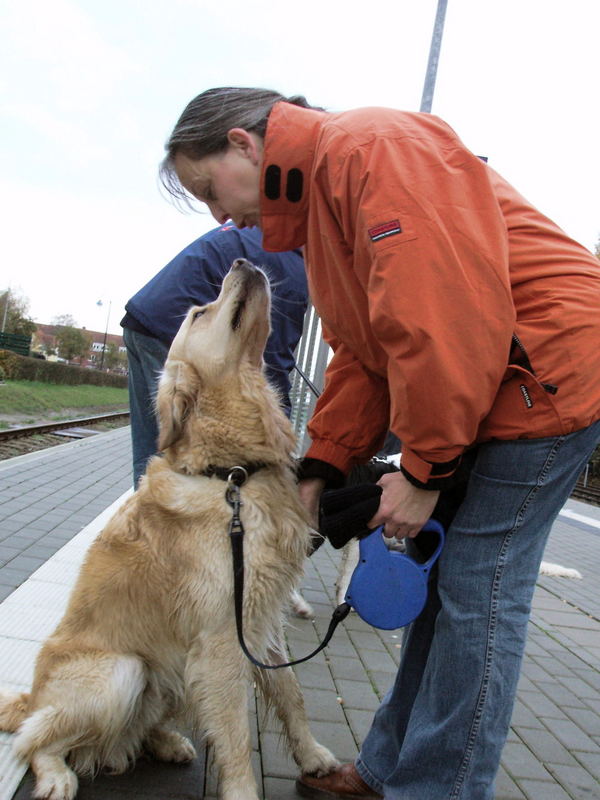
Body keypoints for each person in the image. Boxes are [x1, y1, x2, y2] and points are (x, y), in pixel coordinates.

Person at [158, 88, 600, 800]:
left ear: (243, 144)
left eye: (208, 189)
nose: (216, 216)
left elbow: (443, 321)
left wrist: (425, 467)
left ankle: (437, 789)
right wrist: (322, 466)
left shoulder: (373, 152)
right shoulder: (324, 211)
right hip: (499, 380)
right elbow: (364, 354)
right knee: (441, 590)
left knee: (478, 592)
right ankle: (389, 771)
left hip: (549, 373)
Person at [121, 222, 307, 486]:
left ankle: (143, 517)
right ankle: (166, 520)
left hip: (145, 317)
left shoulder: (265, 230)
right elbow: (268, 358)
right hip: (174, 331)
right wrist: (278, 434)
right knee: (177, 458)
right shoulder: (292, 269)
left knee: (152, 455)